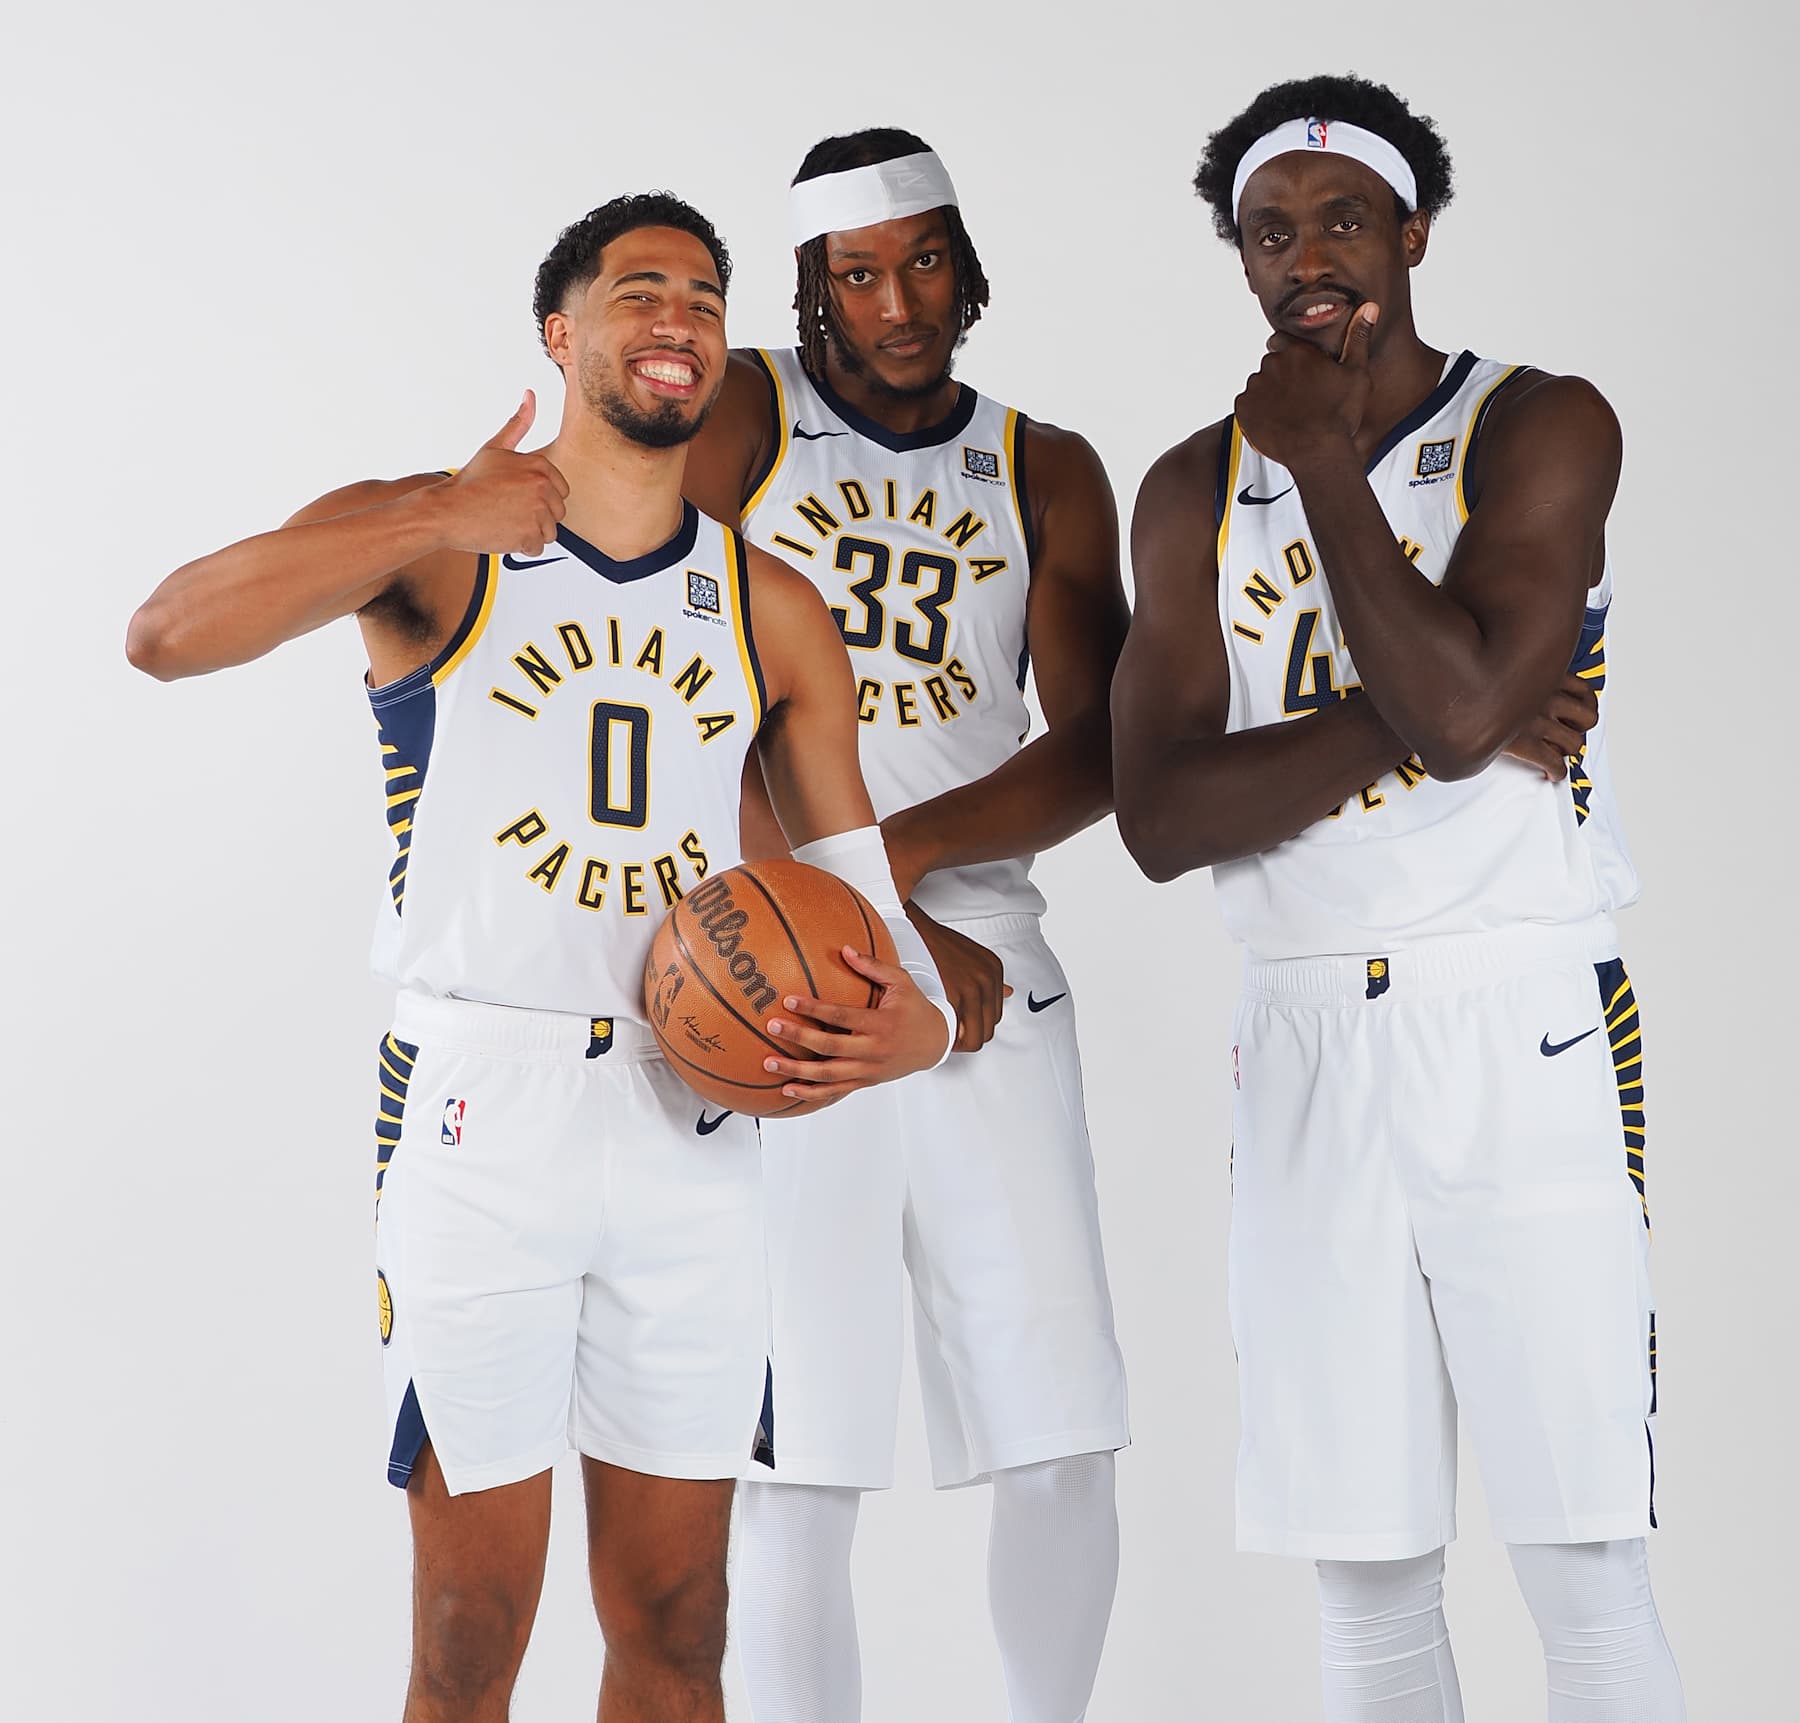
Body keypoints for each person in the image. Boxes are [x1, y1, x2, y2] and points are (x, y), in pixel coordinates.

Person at [125, 192, 954, 1723]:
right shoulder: (432, 543)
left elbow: (874, 930)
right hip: (476, 1104)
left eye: (705, 298)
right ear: (560, 336)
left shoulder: (769, 606)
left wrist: (918, 1031)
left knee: (681, 1619)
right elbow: (166, 633)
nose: (678, 320)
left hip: (691, 1119)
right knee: (465, 1626)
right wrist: (439, 509)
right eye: (639, 291)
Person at [1113, 75, 1683, 1722]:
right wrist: (1453, 712)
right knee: (1364, 1584)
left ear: (1413, 230)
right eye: (1270, 235)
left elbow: (1455, 715)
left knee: (1584, 1565)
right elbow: (1160, 817)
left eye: (1342, 220)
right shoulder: (1190, 487)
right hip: (1302, 1031)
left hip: (1520, 1015)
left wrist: (1331, 472)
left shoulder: (1538, 421)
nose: (1309, 262)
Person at [681, 130, 1131, 1723]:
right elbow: (693, 696)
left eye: (925, 259)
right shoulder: (747, 408)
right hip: (786, 981)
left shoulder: (1046, 464)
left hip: (989, 974)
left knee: (1060, 1436)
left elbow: (1100, 748)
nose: (898, 300)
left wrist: (903, 873)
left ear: (968, 263)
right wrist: (859, 905)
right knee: (800, 1455)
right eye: (858, 273)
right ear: (808, 289)